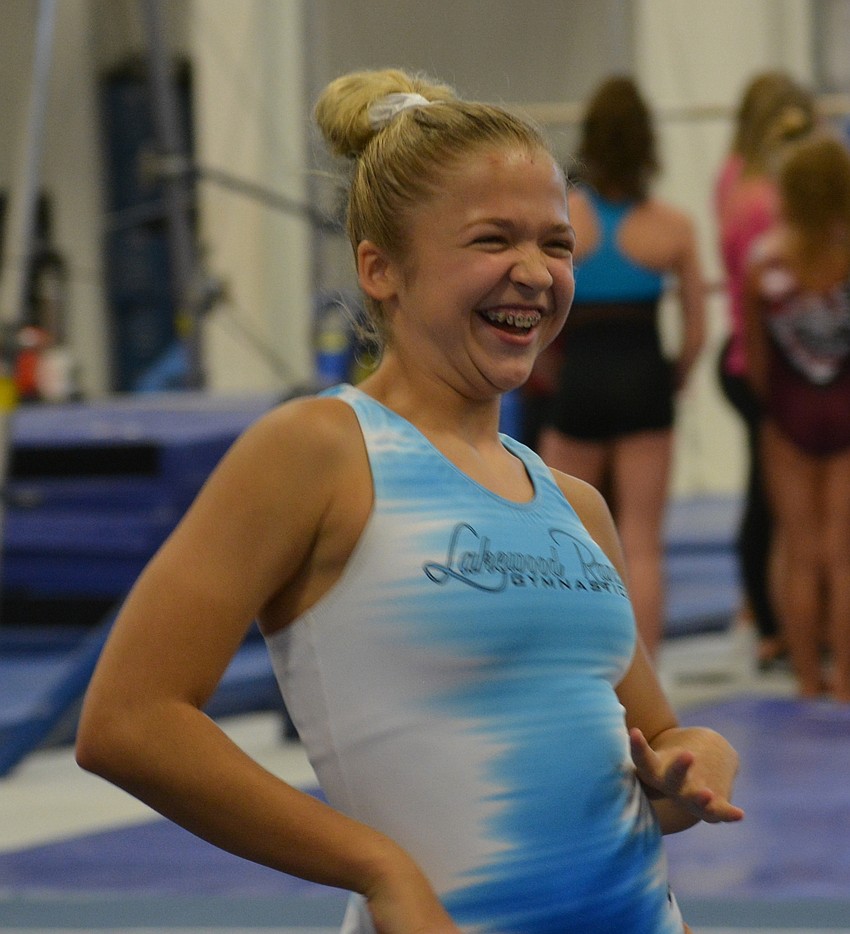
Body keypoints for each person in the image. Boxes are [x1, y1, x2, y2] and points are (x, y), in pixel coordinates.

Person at [76, 67, 743, 933]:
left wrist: (698, 759)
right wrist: (377, 865)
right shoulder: (319, 452)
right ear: (381, 267)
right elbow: (129, 722)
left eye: (556, 243)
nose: (535, 273)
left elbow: (653, 745)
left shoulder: (574, 505)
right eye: (492, 240)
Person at [536, 76, 706, 657]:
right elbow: (698, 333)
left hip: (580, 378)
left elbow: (533, 309)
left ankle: (578, 668)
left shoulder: (565, 221)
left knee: (568, 537)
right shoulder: (672, 228)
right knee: (642, 543)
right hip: (644, 380)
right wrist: (673, 376)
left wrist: (552, 372)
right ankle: (647, 686)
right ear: (647, 146)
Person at [714, 71, 818, 671]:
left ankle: (774, 619)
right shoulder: (769, 202)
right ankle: (778, 623)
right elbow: (773, 293)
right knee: (785, 509)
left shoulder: (736, 180)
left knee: (775, 503)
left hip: (761, 357)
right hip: (773, 365)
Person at [743, 134, 850, 702]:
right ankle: (847, 684)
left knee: (800, 551)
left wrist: (779, 407)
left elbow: (756, 361)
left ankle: (809, 680)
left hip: (791, 413)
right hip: (845, 409)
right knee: (843, 553)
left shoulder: (766, 263)